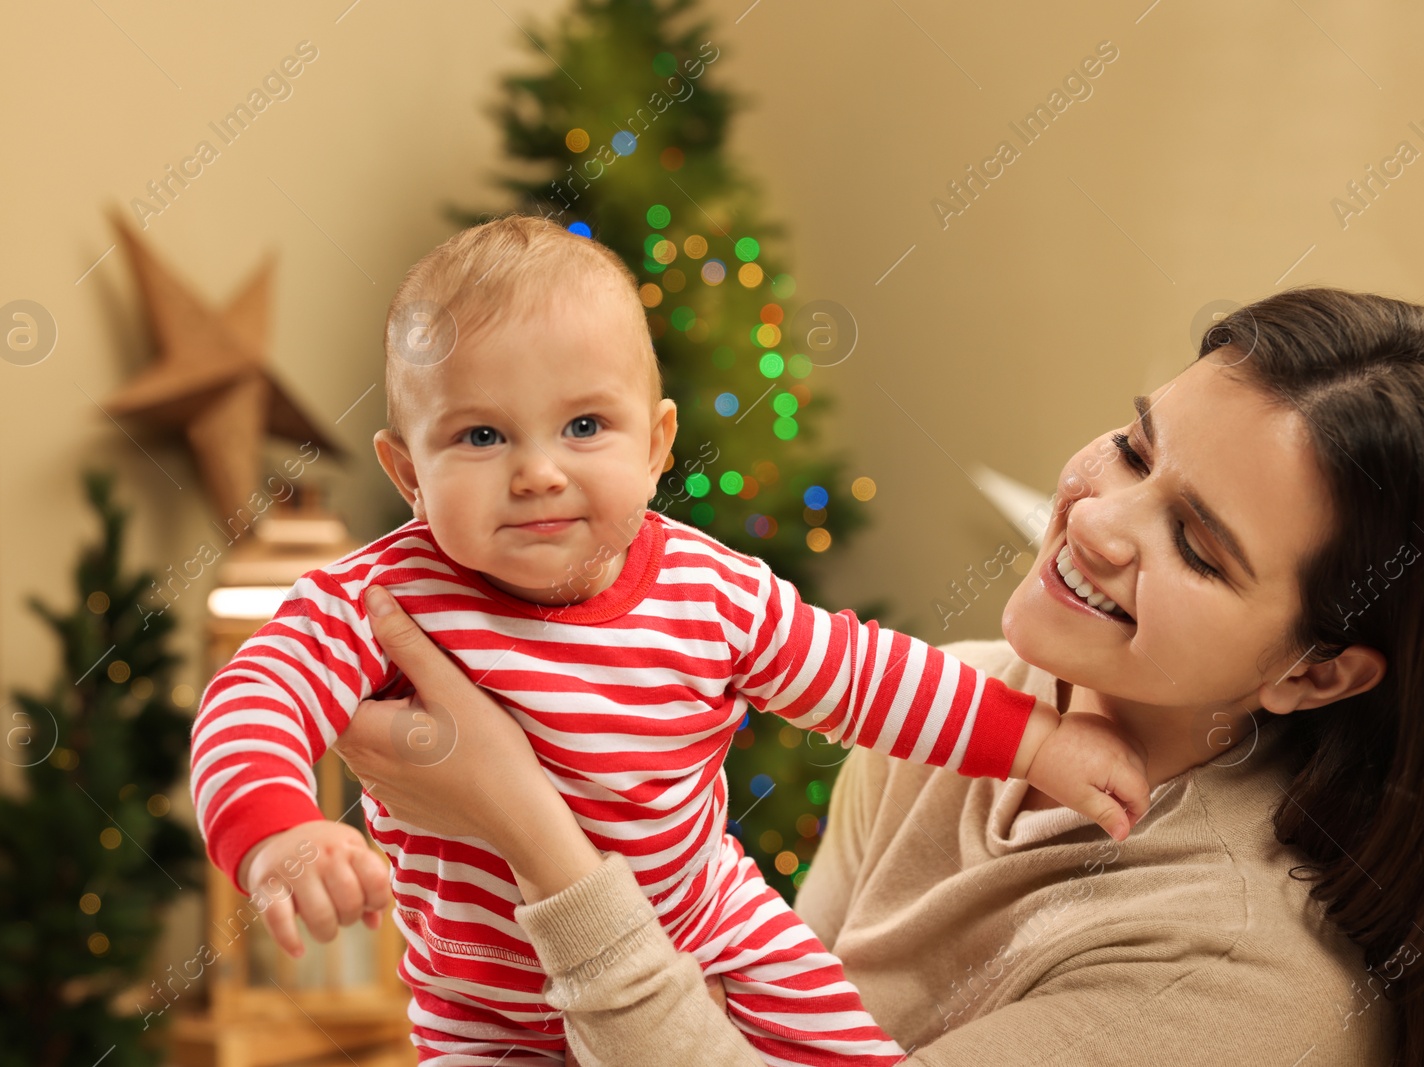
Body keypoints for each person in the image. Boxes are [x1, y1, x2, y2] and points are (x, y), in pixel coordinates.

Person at [332, 287, 1422, 1065]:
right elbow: (761, 1022)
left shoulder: (1236, 988)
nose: (1095, 519)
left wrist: (530, 828)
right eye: (1135, 450)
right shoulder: (957, 701)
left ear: (1316, 672)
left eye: (1195, 544)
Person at [187, 215, 1150, 1064]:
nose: (536, 473)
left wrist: (1038, 742)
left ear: (654, 444)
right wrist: (278, 833)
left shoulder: (711, 592)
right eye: (480, 437)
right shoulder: (381, 599)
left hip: (712, 933)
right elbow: (251, 696)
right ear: (408, 472)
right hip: (481, 1009)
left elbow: (869, 677)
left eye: (584, 426)